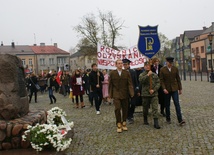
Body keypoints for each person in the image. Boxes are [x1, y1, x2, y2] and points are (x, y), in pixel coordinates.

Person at [109, 59, 134, 133]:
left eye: (121, 63)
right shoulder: (112, 73)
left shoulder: (126, 73)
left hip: (125, 93)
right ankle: (118, 123)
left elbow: (129, 83)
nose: (120, 64)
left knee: (125, 108)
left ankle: (124, 122)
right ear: (116, 64)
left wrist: (131, 92)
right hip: (116, 93)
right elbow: (110, 84)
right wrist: (110, 94)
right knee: (117, 108)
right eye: (119, 63)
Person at [160, 56, 185, 125]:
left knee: (177, 103)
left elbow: (178, 79)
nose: (170, 64)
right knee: (167, 105)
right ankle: (168, 118)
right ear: (167, 62)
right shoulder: (162, 69)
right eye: (169, 62)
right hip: (167, 89)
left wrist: (180, 89)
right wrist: (164, 88)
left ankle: (180, 119)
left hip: (174, 88)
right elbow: (161, 80)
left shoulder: (175, 69)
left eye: (171, 63)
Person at [139, 61, 161, 129]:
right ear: (144, 67)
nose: (147, 67)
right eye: (146, 66)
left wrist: (154, 90)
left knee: (155, 108)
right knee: (145, 108)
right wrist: (147, 75)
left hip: (154, 94)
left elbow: (158, 83)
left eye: (148, 65)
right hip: (145, 94)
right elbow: (141, 81)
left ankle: (156, 122)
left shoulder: (154, 75)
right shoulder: (142, 74)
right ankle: (145, 119)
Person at [122, 58, 140, 124]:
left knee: (133, 103)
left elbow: (136, 81)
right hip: (125, 91)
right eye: (124, 64)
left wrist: (137, 90)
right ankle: (128, 116)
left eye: (126, 64)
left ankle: (131, 115)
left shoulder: (133, 71)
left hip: (133, 90)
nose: (124, 66)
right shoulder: (122, 72)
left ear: (129, 65)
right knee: (126, 104)